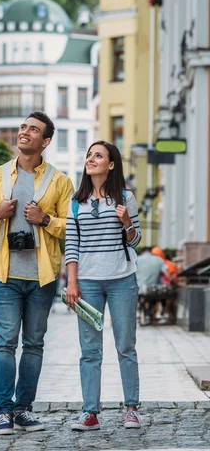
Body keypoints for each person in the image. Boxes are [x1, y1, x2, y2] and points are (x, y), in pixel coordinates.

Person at [0, 112, 74, 436]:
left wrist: (45, 220)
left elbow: (70, 227)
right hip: (5, 274)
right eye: (23, 127)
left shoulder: (59, 181)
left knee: (33, 344)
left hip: (42, 276)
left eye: (33, 130)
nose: (25, 132)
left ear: (45, 141)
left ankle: (23, 409)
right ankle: (3, 412)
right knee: (4, 342)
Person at [65, 140, 142, 431]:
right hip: (87, 283)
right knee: (90, 350)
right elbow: (72, 244)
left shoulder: (125, 198)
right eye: (89, 155)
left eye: (98, 155)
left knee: (125, 346)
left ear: (111, 165)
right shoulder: (76, 202)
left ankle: (131, 409)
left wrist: (127, 223)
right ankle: (90, 413)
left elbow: (135, 241)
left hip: (122, 278)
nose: (91, 159)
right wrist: (72, 283)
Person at [136, 246, 170, 326]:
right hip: (152, 289)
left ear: (142, 252)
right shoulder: (159, 260)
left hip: (138, 289)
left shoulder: (137, 259)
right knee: (153, 297)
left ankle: (141, 314)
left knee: (141, 298)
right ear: (151, 252)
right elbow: (167, 275)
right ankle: (149, 316)